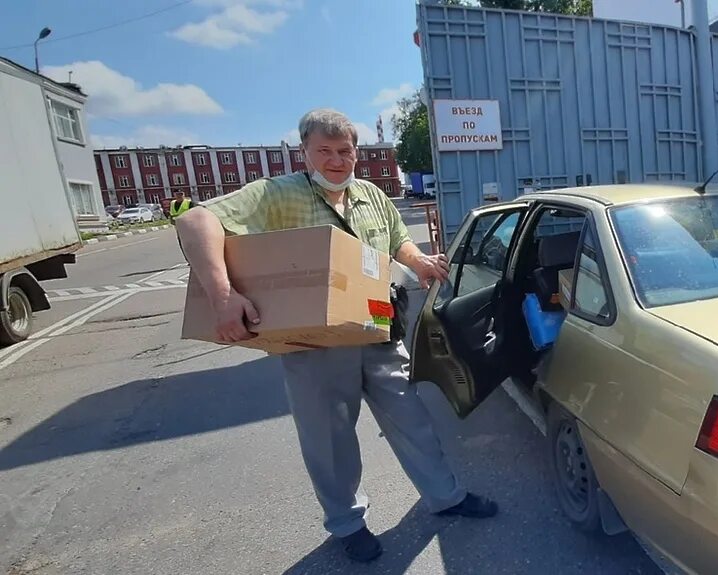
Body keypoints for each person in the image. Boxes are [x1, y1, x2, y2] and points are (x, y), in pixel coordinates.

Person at [175, 108, 497, 563]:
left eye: (343, 151)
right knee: (329, 440)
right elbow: (195, 222)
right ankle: (348, 524)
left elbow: (396, 241)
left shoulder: (370, 194)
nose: (335, 160)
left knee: (414, 422)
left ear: (356, 152)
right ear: (304, 151)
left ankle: (447, 497)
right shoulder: (277, 194)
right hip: (317, 346)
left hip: (379, 328)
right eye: (323, 151)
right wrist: (223, 296)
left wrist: (420, 262)